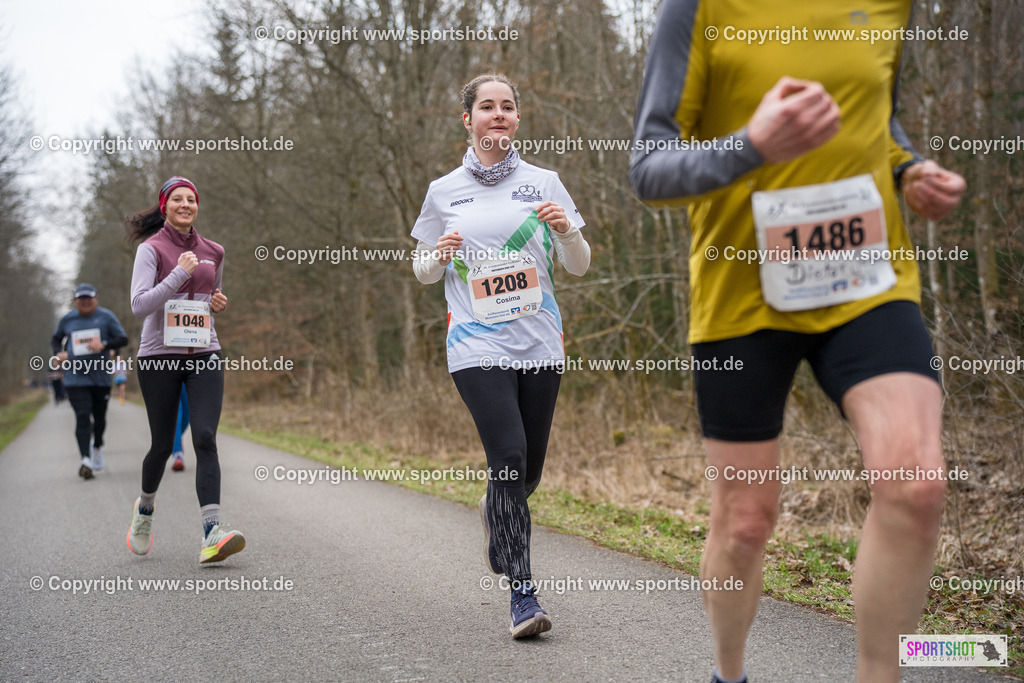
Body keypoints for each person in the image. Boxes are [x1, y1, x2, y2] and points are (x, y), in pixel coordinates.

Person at [629, 4, 966, 682]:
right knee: (746, 521)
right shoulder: (697, 10)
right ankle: (730, 674)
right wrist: (751, 145)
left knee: (917, 484)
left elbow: (877, 118)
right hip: (742, 292)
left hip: (866, 278)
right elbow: (648, 167)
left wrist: (907, 168)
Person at [411, 74, 591, 639]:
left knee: (526, 472)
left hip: (539, 343)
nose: (498, 114)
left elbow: (580, 264)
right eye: (486, 107)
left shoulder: (545, 182)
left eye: (507, 107)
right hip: (474, 344)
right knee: (508, 456)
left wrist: (565, 233)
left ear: (517, 119)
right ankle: (522, 594)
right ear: (468, 119)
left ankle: (497, 509)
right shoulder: (444, 191)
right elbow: (422, 271)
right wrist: (438, 256)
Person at [124, 176, 245, 564]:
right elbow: (140, 305)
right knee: (162, 445)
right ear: (165, 206)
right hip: (158, 356)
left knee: (205, 437)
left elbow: (209, 298)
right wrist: (178, 273)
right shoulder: (151, 249)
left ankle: (213, 531)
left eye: (191, 199)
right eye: (177, 199)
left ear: (197, 206)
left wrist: (217, 302)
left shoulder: (214, 250)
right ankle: (144, 512)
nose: (185, 205)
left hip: (204, 352)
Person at [51, 283, 128, 479]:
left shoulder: (106, 317)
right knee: (83, 416)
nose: (85, 302)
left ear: (96, 299)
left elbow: (122, 339)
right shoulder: (68, 319)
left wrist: (103, 344)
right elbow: (56, 338)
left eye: (89, 298)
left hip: (100, 377)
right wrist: (59, 353)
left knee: (100, 419)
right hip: (75, 378)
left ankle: (97, 446)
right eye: (81, 299)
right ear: (76, 301)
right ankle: (85, 459)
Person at [170, 385, 188, 471]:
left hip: (189, 375)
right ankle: (177, 454)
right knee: (177, 412)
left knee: (187, 413)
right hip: (169, 374)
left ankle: (177, 439)